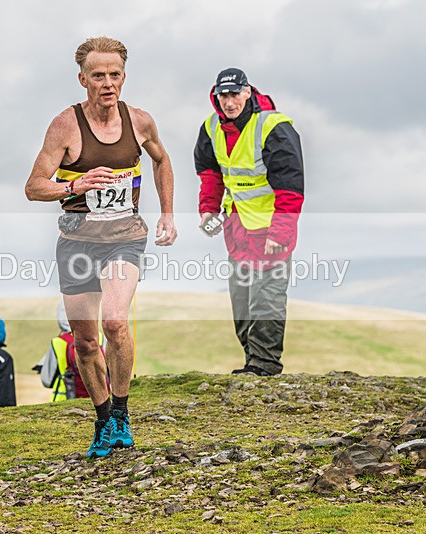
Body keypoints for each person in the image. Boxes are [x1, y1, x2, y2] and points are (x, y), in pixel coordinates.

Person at [25, 36, 177, 458]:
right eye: (98, 76)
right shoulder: (65, 126)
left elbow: (162, 160)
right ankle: (103, 418)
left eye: (114, 74)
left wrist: (167, 213)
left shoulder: (140, 121)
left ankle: (122, 413)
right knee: (86, 341)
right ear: (82, 80)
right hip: (76, 242)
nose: (107, 83)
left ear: (124, 77)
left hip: (124, 238)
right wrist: (74, 185)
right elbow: (33, 187)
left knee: (114, 321)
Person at [194, 68, 304, 376]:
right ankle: (252, 362)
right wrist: (208, 210)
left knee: (266, 301)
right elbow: (211, 175)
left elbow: (291, 187)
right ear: (216, 96)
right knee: (241, 305)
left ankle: (265, 364)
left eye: (235, 95)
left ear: (247, 92)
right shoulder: (211, 128)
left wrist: (280, 232)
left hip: (271, 232)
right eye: (223, 96)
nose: (229, 102)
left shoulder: (274, 127)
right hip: (237, 232)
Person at [34, 301, 106, 402]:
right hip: (100, 398)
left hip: (64, 399)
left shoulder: (57, 342)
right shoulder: (100, 338)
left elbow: (47, 381)